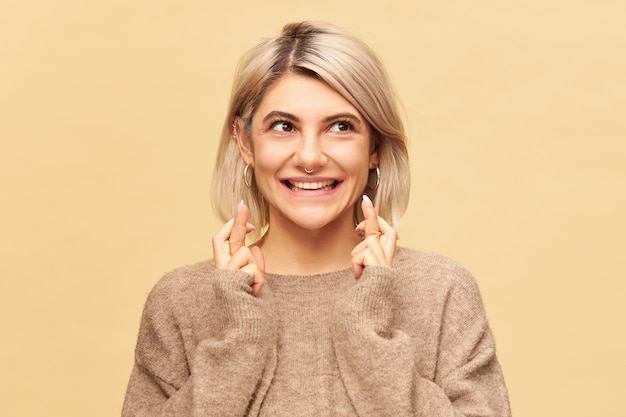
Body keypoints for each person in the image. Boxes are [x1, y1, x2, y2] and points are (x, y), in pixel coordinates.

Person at [122, 21, 511, 417]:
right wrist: (240, 338)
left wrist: (368, 331)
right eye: (284, 126)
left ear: (374, 146)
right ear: (245, 142)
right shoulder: (180, 302)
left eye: (341, 127)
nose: (310, 157)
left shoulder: (441, 292)